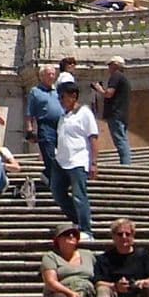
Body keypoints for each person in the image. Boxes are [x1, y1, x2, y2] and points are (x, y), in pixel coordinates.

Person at [53, 77, 99, 231]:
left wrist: (93, 162)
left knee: (79, 195)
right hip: (61, 161)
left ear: (73, 96)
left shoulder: (85, 113)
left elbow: (93, 138)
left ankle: (86, 229)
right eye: (59, 97)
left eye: (63, 97)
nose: (60, 100)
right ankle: (77, 219)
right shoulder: (63, 117)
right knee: (57, 192)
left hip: (78, 161)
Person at [24, 64, 64, 208]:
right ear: (42, 76)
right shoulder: (35, 91)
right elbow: (29, 111)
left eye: (53, 74)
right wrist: (29, 129)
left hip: (61, 125)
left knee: (63, 155)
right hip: (45, 125)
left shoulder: (58, 90)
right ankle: (54, 183)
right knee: (49, 155)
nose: (52, 76)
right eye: (49, 74)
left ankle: (47, 175)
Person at [91, 57, 131, 165]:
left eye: (110, 65)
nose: (108, 67)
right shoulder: (124, 78)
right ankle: (126, 163)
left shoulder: (116, 76)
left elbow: (108, 93)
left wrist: (99, 89)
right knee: (122, 140)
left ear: (116, 65)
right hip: (122, 114)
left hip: (115, 113)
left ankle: (126, 165)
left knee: (120, 141)